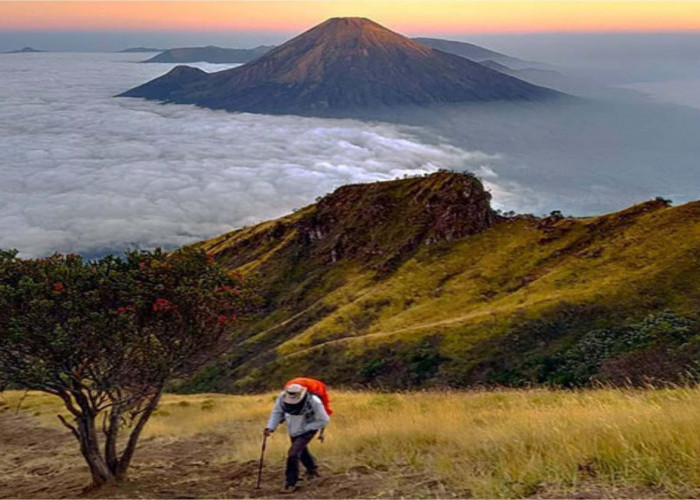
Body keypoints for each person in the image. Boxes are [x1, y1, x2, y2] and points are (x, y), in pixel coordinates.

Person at [264, 383, 330, 492]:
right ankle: (312, 470)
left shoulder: (314, 401)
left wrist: (307, 428)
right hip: (293, 428)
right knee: (301, 450)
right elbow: (277, 412)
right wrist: (270, 427)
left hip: (307, 430)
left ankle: (291, 483)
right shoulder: (282, 397)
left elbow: (324, 419)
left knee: (293, 454)